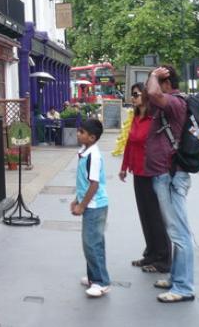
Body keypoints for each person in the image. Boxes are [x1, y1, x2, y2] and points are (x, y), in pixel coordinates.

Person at [145, 65, 194, 303]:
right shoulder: (171, 103)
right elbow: (149, 96)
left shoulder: (175, 102)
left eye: (156, 81)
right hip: (165, 174)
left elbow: (153, 94)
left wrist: (153, 75)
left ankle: (184, 287)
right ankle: (177, 278)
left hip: (171, 175)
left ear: (166, 83)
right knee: (175, 231)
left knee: (180, 233)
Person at [119, 83, 171, 274]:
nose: (133, 98)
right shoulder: (136, 117)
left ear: (146, 96)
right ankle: (150, 253)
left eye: (136, 95)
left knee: (156, 216)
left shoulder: (154, 118)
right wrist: (124, 167)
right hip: (138, 172)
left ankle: (163, 259)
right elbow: (130, 143)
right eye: (132, 95)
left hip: (153, 172)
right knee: (145, 215)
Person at [72, 118, 110, 298]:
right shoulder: (84, 152)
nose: (78, 134)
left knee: (91, 243)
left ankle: (101, 282)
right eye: (79, 131)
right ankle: (93, 277)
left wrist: (82, 205)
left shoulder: (93, 156)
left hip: (95, 205)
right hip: (90, 203)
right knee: (93, 242)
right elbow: (84, 183)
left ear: (92, 137)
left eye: (82, 132)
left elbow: (94, 185)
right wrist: (76, 200)